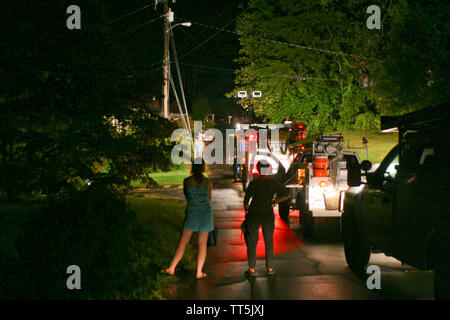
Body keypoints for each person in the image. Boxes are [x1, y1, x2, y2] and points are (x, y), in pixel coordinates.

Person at [161, 158, 213, 280]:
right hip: (205, 214)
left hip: (192, 213)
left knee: (183, 242)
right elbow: (209, 197)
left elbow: (188, 197)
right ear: (203, 168)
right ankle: (199, 272)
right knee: (202, 243)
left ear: (193, 168)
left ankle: (171, 268)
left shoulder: (187, 181)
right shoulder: (208, 182)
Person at [243, 160, 290, 278]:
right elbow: (286, 195)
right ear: (268, 169)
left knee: (252, 242)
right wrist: (275, 201)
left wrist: (247, 210)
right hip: (267, 214)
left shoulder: (253, 183)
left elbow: (246, 201)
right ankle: (270, 268)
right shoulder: (273, 183)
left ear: (258, 169)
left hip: (254, 214)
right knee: (269, 241)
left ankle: (252, 269)